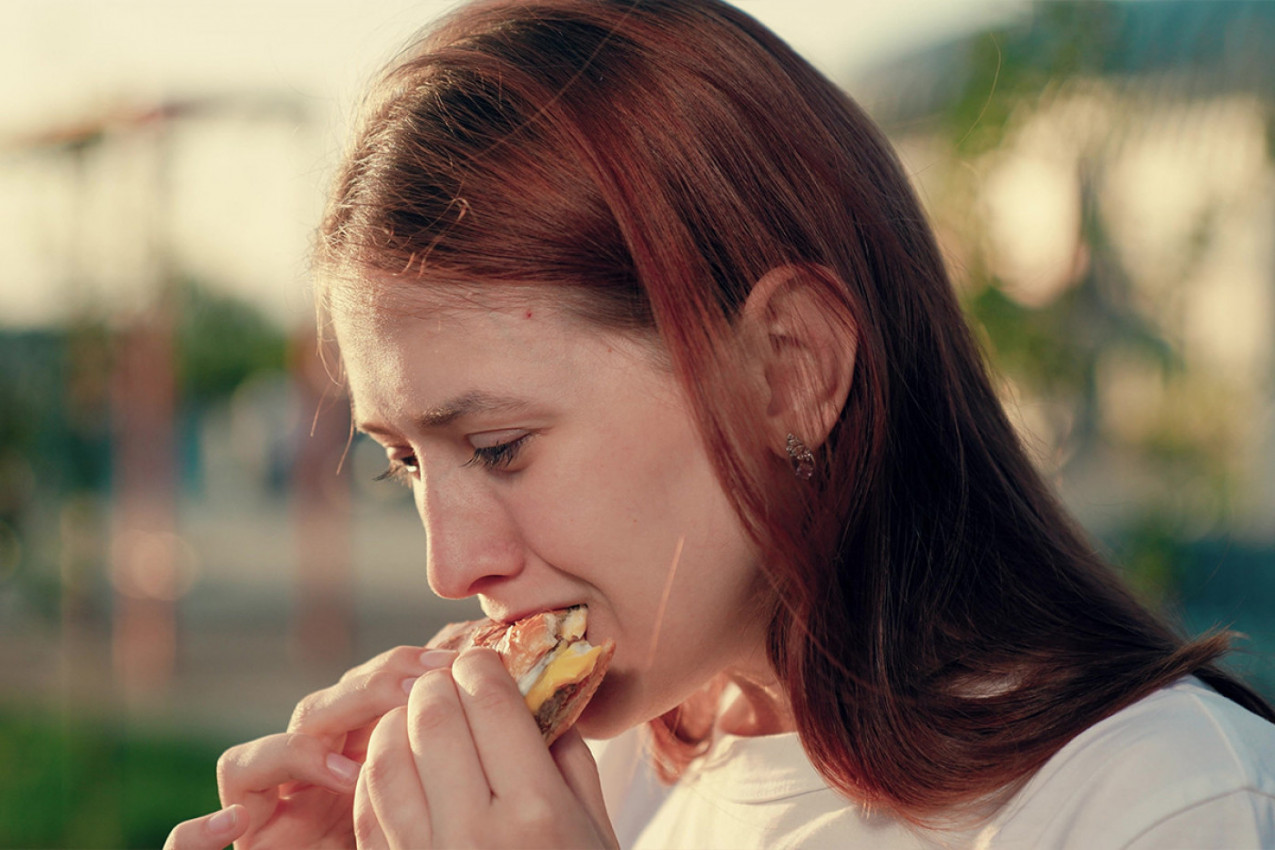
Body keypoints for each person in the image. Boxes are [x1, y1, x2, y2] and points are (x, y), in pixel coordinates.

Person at [166, 0, 1275, 847]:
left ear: (789, 372)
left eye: (499, 447)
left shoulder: (1161, 799)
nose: (451, 564)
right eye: (404, 461)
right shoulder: (615, 789)